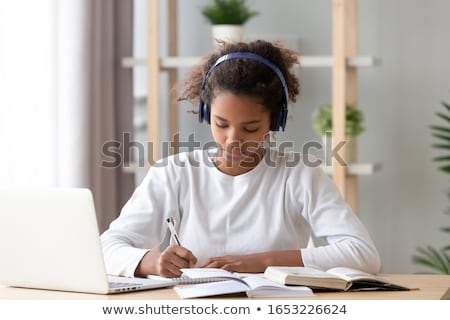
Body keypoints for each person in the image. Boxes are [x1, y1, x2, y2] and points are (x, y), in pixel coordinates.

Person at [100, 40, 380, 278]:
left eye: (250, 128)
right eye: (221, 124)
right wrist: (153, 262)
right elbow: (106, 247)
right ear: (206, 114)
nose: (233, 139)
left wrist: (260, 262)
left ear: (275, 121)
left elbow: (363, 254)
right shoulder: (174, 172)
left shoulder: (300, 174)